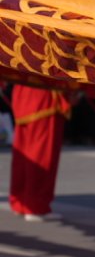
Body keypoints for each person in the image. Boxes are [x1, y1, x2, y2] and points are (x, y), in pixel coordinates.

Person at [9, 85, 71, 221]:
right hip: (44, 94)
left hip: (24, 91)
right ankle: (35, 206)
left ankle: (21, 202)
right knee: (42, 154)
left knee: (24, 153)